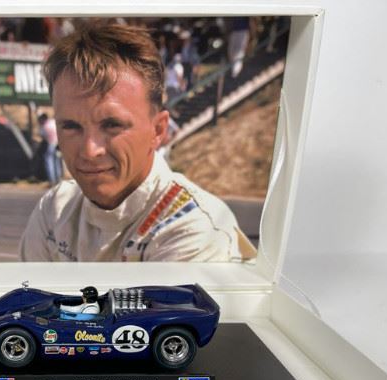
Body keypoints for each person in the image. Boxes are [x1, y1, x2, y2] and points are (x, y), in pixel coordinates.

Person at [19, 22, 249, 262]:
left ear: (158, 130)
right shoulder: (55, 209)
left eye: (112, 125)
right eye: (71, 126)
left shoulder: (194, 229)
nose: (89, 150)